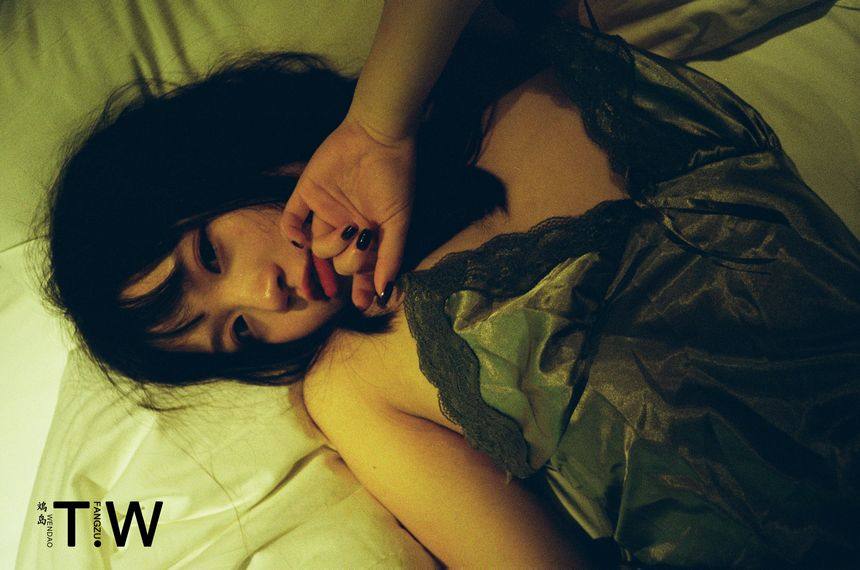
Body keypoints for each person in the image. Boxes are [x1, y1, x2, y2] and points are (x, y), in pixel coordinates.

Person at [40, 0, 859, 567]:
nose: (268, 299)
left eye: (210, 257)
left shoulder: (492, 65)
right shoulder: (355, 385)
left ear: (215, 161)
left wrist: (377, 127)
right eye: (236, 334)